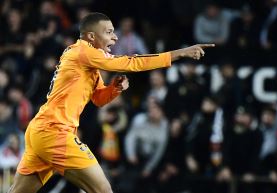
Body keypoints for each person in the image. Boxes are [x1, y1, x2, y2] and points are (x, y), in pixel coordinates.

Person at [8, 12, 214, 193]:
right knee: (104, 190)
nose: (114, 37)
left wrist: (114, 88)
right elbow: (131, 62)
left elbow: (98, 99)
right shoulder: (83, 52)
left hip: (40, 131)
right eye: (108, 32)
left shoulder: (87, 63)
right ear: (91, 36)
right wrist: (179, 53)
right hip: (55, 132)